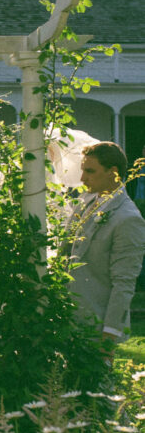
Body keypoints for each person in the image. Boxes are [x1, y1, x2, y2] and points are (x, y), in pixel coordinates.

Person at [67, 141, 145, 353]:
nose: (82, 178)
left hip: (95, 328)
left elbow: (124, 283)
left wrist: (108, 338)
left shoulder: (128, 219)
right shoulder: (84, 202)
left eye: (90, 171)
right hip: (65, 323)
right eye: (83, 170)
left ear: (113, 173)